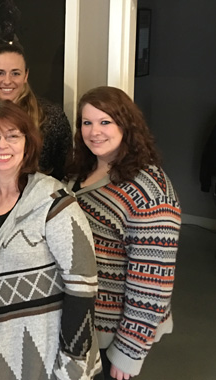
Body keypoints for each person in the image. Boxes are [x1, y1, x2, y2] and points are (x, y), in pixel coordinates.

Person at [0, 100, 101, 380]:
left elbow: (82, 285)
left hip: (49, 361)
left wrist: (72, 366)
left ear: (28, 142)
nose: (2, 145)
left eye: (13, 136)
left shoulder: (54, 202)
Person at [64, 86, 181, 380]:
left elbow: (152, 282)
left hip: (111, 336)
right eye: (87, 123)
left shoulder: (150, 192)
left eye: (105, 122)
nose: (94, 132)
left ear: (126, 125)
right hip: (81, 324)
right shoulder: (87, 168)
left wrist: (128, 353)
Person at [0, 43, 72, 180]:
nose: (7, 81)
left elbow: (63, 171)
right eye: (0, 73)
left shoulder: (50, 117)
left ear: (25, 75)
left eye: (15, 73)